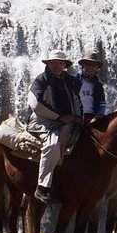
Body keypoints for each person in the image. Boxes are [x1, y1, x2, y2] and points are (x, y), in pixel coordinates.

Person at [29, 50, 83, 204]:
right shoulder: (41, 80)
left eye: (60, 63)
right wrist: (59, 117)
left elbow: (77, 101)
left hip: (69, 121)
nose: (57, 66)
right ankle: (42, 187)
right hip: (44, 120)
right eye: (53, 63)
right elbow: (35, 104)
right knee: (53, 145)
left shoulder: (70, 81)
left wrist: (80, 118)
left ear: (65, 65)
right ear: (48, 64)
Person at [77, 50, 108, 123]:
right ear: (82, 66)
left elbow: (102, 103)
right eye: (87, 64)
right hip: (77, 116)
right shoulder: (74, 81)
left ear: (97, 68)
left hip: (93, 116)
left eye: (93, 65)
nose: (90, 67)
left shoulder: (98, 85)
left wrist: (99, 115)